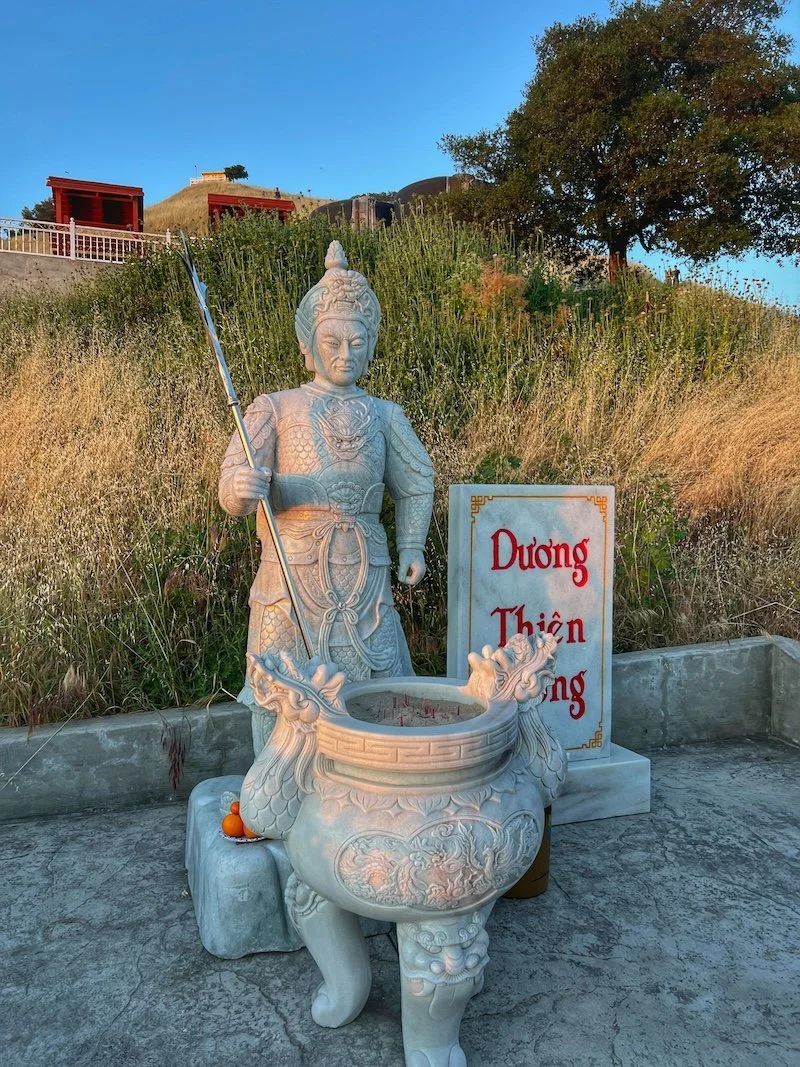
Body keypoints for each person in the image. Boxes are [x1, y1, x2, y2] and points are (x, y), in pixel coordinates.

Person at [218, 241, 434, 749]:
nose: (344, 353)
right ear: (307, 344)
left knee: (376, 687)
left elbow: (416, 483)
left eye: (357, 342)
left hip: (365, 579)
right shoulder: (274, 408)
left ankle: (369, 775)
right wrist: (241, 488)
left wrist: (411, 545)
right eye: (332, 341)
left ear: (371, 346)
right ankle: (277, 777)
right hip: (289, 576)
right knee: (281, 687)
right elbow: (231, 480)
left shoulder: (386, 416)